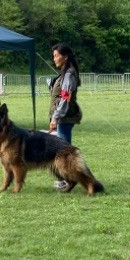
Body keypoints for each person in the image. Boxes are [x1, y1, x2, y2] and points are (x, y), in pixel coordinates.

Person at [49, 43, 83, 189]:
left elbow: (65, 98)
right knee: (63, 149)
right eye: (53, 56)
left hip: (65, 117)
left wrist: (55, 117)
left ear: (65, 57)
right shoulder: (65, 73)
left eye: (56, 56)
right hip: (64, 116)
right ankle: (67, 178)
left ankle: (68, 179)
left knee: (63, 151)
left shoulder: (68, 74)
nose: (54, 59)